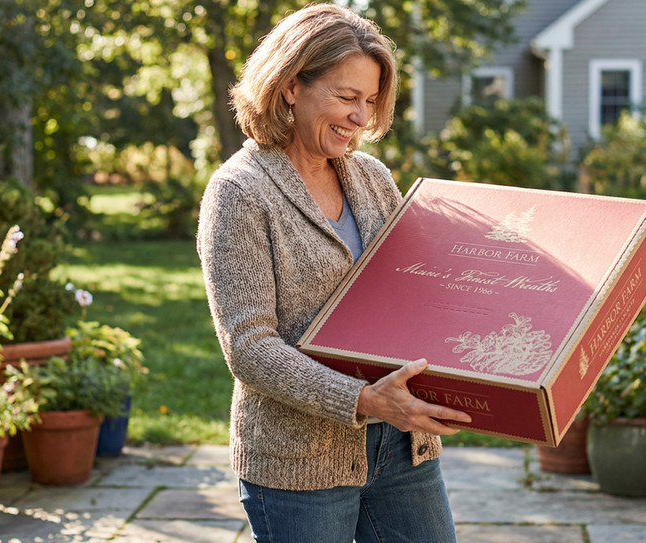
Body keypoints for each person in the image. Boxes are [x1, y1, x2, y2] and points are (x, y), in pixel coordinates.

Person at [196, 4, 473, 542]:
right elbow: (250, 348)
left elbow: (413, 293)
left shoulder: (371, 177)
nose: (361, 117)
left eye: (370, 101)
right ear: (291, 85)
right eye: (347, 97)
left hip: (401, 449)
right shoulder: (239, 192)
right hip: (299, 461)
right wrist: (363, 400)